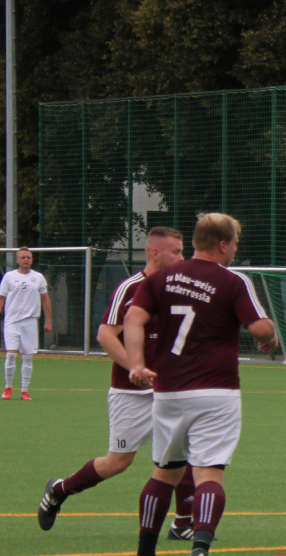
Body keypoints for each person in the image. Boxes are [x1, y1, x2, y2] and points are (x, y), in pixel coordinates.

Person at [123, 213, 278, 556]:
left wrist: (137, 364)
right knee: (209, 473)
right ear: (223, 244)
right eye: (235, 244)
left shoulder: (160, 278)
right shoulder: (232, 281)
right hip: (216, 391)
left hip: (169, 390)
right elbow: (259, 327)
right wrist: (270, 339)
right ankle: (198, 554)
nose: (235, 250)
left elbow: (133, 320)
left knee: (165, 472)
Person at [36, 228, 197, 540]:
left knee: (185, 449)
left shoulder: (179, 290)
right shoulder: (131, 289)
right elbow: (105, 335)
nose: (182, 257)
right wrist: (134, 366)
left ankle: (182, 522)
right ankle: (58, 490)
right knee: (117, 462)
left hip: (169, 390)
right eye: (176, 252)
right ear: (155, 253)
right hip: (131, 392)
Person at [0, 247, 53, 400]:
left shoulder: (38, 277)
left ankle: (24, 390)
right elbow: (0, 298)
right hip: (12, 321)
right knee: (11, 355)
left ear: (32, 260)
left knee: (28, 357)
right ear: (18, 260)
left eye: (29, 257)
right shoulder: (9, 277)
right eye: (23, 257)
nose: (26, 259)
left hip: (30, 322)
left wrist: (48, 320)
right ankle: (8, 388)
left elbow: (45, 299)